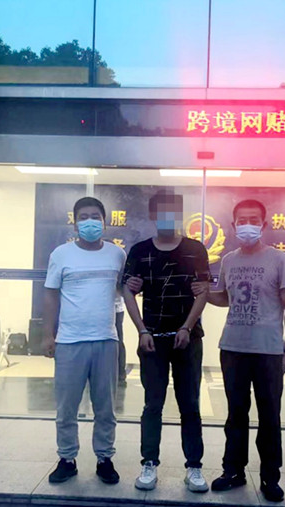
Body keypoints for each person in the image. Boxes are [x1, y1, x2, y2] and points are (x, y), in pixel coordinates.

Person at [193, 199, 285, 503]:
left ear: (263, 224)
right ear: (233, 224)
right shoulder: (229, 260)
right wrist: (205, 294)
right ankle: (233, 471)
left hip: (268, 351)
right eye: (242, 220)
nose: (247, 225)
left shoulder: (280, 260)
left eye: (254, 220)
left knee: (269, 416)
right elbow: (227, 298)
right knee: (236, 414)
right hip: (233, 348)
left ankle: (270, 477)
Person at [122, 190, 210, 493]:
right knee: (152, 404)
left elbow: (203, 292)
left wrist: (187, 326)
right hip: (152, 341)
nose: (167, 218)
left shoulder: (195, 249)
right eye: (161, 212)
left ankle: (194, 467)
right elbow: (127, 291)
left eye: (173, 212)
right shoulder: (139, 250)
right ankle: (149, 463)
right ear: (152, 215)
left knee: (190, 404)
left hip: (188, 339)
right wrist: (142, 330)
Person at [42, 196, 126, 485]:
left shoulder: (117, 254)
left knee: (106, 407)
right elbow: (51, 295)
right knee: (66, 408)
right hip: (69, 342)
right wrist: (48, 334)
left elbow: (125, 290)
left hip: (106, 340)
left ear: (105, 221)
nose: (90, 222)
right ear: (75, 223)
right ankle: (67, 459)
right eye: (83, 217)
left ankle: (105, 458)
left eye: (95, 217)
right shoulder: (61, 254)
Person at [115, 295, 127, 386]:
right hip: (116, 308)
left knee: (118, 341)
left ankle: (121, 372)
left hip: (116, 308)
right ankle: (121, 373)